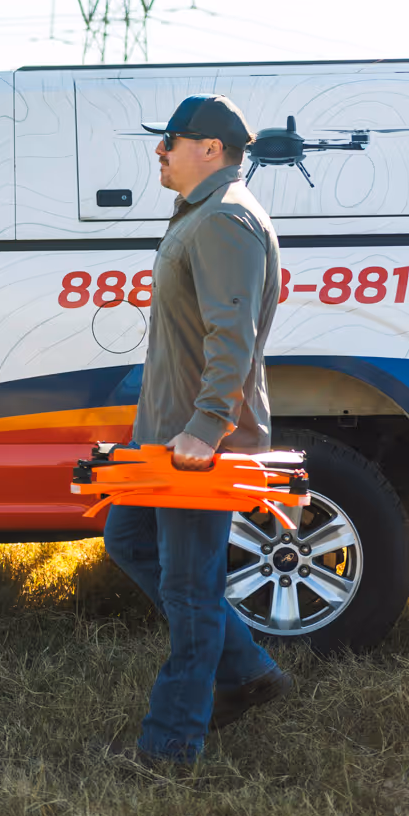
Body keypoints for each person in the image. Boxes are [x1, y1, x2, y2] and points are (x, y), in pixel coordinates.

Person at [102, 94, 294, 766]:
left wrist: (207, 428)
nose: (159, 150)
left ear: (210, 149)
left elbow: (230, 335)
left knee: (189, 591)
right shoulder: (202, 213)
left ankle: (170, 745)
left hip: (193, 446)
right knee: (129, 538)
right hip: (163, 437)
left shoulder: (225, 220)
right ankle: (247, 670)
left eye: (171, 139)